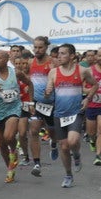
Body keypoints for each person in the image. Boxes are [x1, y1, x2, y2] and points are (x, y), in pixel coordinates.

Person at [45, 44, 98, 187]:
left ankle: (77, 155)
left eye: (63, 53)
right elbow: (48, 93)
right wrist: (48, 91)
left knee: (73, 141)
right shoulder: (53, 72)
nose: (59, 56)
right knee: (63, 147)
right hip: (59, 113)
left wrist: (88, 98)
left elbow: (95, 85)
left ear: (72, 56)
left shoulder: (82, 71)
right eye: (59, 54)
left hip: (76, 112)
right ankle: (68, 175)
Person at [0, 50, 33, 183]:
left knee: (8, 136)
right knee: (2, 144)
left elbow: (30, 83)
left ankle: (14, 150)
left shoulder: (16, 73)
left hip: (14, 108)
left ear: (6, 59)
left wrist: (31, 103)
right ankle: (10, 168)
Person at [28, 36, 58, 177]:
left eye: (40, 47)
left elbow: (60, 80)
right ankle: (37, 163)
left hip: (51, 103)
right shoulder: (30, 62)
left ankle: (53, 142)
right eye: (35, 47)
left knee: (52, 131)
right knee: (34, 130)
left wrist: (51, 86)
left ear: (46, 47)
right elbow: (28, 82)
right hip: (36, 102)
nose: (37, 50)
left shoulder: (53, 63)